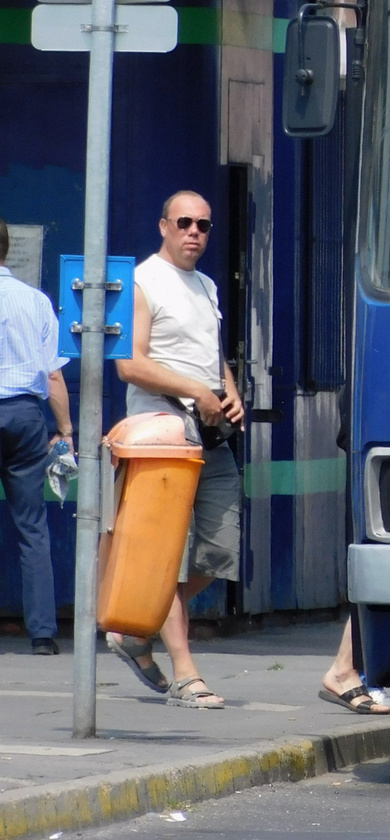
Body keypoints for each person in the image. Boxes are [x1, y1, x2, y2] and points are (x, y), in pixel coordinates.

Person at [108, 191, 244, 708]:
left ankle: (136, 627)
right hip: (163, 432)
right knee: (163, 555)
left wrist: (227, 390)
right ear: (164, 225)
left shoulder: (206, 285)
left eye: (204, 225)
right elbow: (130, 363)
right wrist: (196, 391)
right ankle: (186, 674)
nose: (195, 232)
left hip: (211, 434)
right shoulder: (143, 280)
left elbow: (209, 355)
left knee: (219, 550)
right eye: (184, 222)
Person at [0, 217, 74, 656]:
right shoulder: (36, 301)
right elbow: (54, 376)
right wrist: (64, 431)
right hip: (26, 417)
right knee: (33, 529)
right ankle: (43, 634)